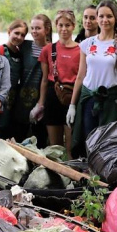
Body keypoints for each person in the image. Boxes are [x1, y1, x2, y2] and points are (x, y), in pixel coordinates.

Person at [67, 0, 117, 157]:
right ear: (97, 18)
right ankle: (86, 176)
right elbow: (80, 75)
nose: (105, 20)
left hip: (110, 101)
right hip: (88, 98)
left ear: (116, 18)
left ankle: (103, 177)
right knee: (87, 140)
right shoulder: (86, 43)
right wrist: (72, 105)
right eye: (101, 16)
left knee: (106, 144)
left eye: (109, 16)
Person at [34, 10, 79, 157]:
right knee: (55, 146)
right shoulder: (48, 49)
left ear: (73, 26)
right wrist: (40, 104)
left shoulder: (80, 50)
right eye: (61, 25)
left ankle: (72, 174)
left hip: (72, 95)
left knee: (71, 145)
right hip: (53, 95)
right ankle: (57, 176)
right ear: (56, 26)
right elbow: (45, 79)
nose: (64, 29)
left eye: (67, 25)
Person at [18, 14, 50, 147]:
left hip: (42, 99)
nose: (34, 31)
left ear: (47, 30)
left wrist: (40, 104)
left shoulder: (51, 49)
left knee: (39, 139)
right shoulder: (24, 46)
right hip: (21, 99)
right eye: (32, 28)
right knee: (19, 136)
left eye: (38, 28)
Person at [0, 20, 28, 139]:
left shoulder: (22, 54)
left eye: (22, 35)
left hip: (13, 101)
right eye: (16, 33)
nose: (19, 37)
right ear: (9, 32)